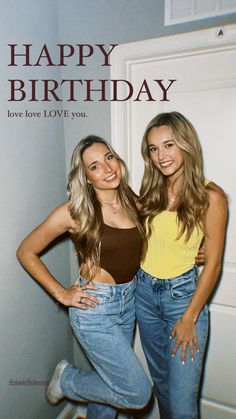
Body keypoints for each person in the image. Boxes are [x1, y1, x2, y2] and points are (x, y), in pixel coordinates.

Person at [16, 135, 152, 419]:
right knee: (138, 393)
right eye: (95, 166)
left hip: (129, 305)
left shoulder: (129, 197)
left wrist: (195, 248)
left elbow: (161, 216)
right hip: (94, 310)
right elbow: (26, 251)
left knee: (112, 383)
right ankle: (68, 379)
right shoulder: (74, 211)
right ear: (87, 177)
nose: (107, 168)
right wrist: (61, 293)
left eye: (109, 157)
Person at [135, 111, 228, 419]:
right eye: (153, 148)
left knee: (183, 403)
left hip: (183, 301)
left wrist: (190, 316)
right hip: (144, 296)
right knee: (160, 384)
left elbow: (213, 265)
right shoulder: (151, 191)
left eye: (169, 145)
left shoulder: (211, 196)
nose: (161, 156)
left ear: (186, 144)